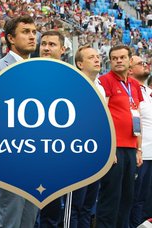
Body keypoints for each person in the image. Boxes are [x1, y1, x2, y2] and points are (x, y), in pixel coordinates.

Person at [0, 15, 39, 228]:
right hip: (11, 158)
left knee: (28, 220)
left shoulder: (38, 71)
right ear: (10, 38)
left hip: (36, 157)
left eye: (34, 32)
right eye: (25, 32)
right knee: (9, 220)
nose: (32, 36)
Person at [97, 44, 143, 228]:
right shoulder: (105, 80)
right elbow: (101, 114)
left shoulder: (134, 85)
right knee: (111, 197)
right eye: (114, 58)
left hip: (131, 148)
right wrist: (108, 145)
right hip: (114, 148)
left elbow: (137, 115)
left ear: (129, 60)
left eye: (122, 57)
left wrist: (139, 148)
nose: (118, 61)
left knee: (127, 196)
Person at [67, 46, 104, 228]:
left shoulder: (101, 88)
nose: (97, 60)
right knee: (74, 205)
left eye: (98, 57)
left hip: (95, 154)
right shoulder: (72, 85)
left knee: (88, 206)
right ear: (80, 64)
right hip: (77, 155)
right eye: (91, 57)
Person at [36, 31, 66, 228]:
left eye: (52, 44)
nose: (46, 48)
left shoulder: (70, 79)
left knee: (52, 212)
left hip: (58, 155)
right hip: (31, 153)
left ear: (62, 50)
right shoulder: (28, 74)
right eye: (44, 44)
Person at [130, 55, 152, 227]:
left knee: (144, 200)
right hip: (140, 154)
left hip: (150, 155)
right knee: (134, 199)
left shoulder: (146, 92)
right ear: (130, 69)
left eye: (145, 63)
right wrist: (138, 150)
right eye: (140, 63)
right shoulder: (131, 90)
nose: (145, 65)